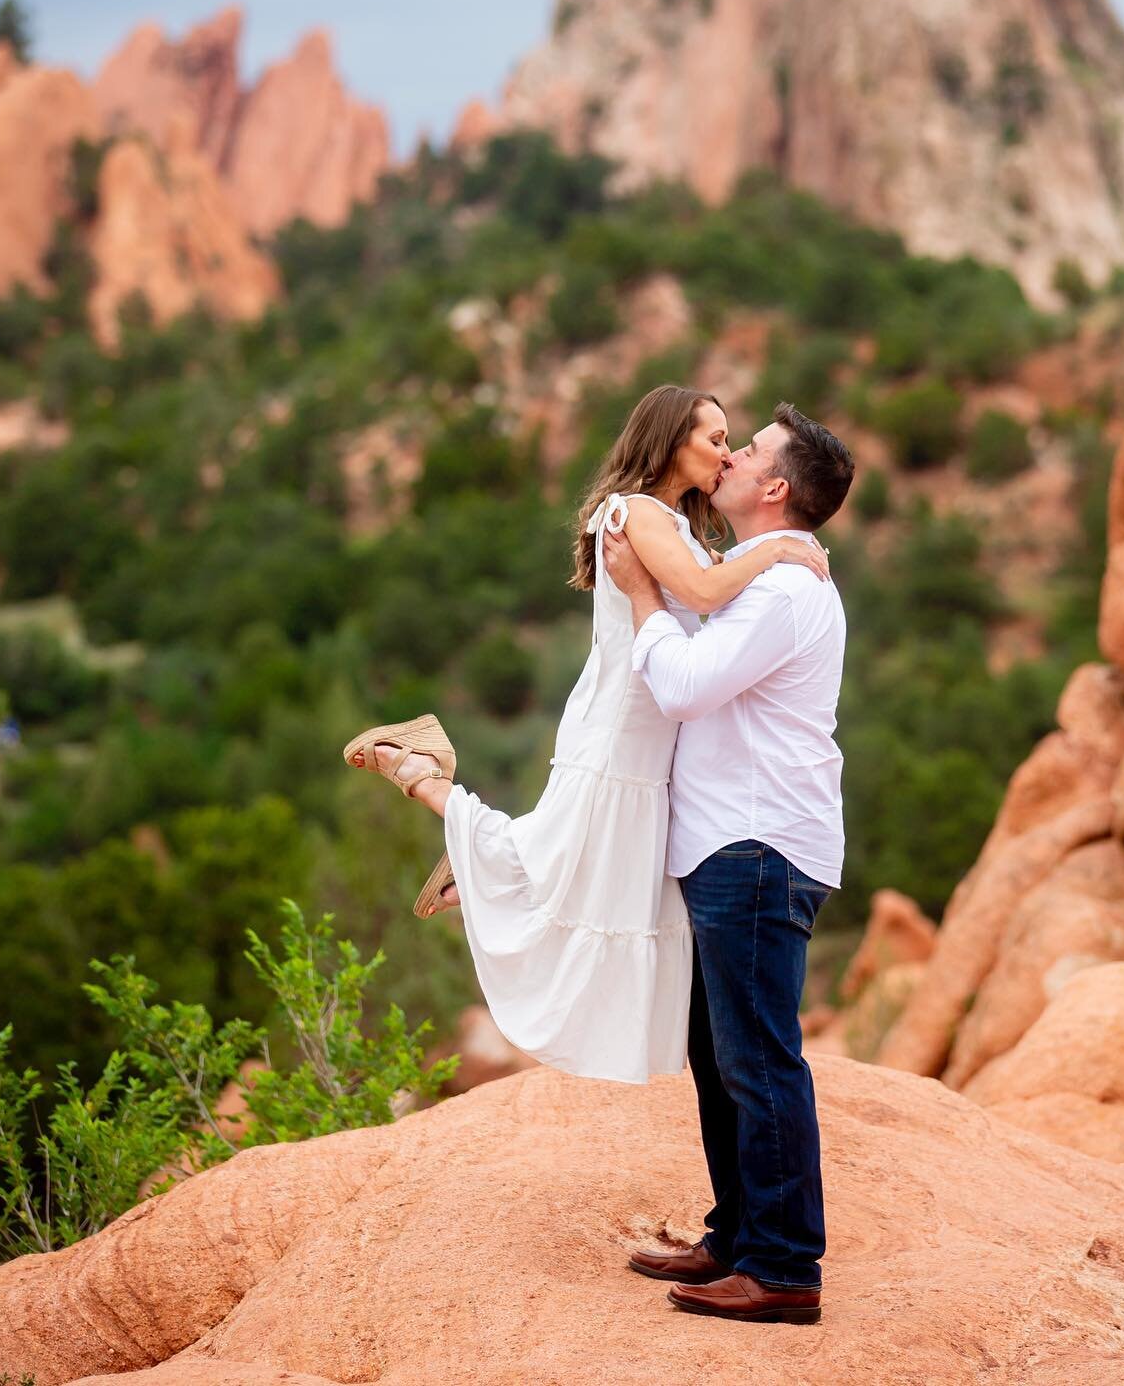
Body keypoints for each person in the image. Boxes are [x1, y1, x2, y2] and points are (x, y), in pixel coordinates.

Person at [342, 384, 829, 1086]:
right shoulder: (633, 514)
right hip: (618, 729)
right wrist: (780, 549)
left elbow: (713, 602)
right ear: (670, 440)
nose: (726, 453)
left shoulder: (682, 528)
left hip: (653, 742)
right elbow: (698, 595)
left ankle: (481, 870)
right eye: (715, 438)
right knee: (574, 862)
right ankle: (418, 767)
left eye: (730, 442)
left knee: (604, 881)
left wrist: (766, 560)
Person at [605, 401, 855, 1327]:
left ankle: (786, 1267)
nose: (733, 455)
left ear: (776, 487)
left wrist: (639, 599)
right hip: (732, 842)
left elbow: (679, 686)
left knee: (757, 1057)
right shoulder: (756, 579)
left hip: (757, 845)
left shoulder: (788, 592)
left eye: (748, 450)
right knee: (720, 1055)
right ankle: (739, 1236)